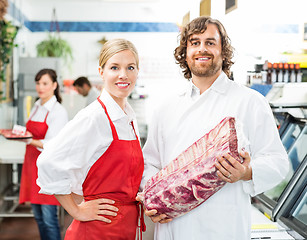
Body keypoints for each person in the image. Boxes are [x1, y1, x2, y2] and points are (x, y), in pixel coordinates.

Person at [140, 16, 289, 240]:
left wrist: (247, 172)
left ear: (223, 50)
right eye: (195, 42)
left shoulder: (249, 101)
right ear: (185, 51)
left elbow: (278, 162)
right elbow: (149, 163)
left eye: (210, 42)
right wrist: (155, 201)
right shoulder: (166, 107)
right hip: (174, 227)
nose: (202, 49)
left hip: (224, 228)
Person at [37, 38, 145, 240]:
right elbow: (48, 161)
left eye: (130, 67)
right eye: (115, 67)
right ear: (101, 72)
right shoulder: (94, 117)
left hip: (124, 228)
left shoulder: (128, 117)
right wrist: (77, 210)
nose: (123, 75)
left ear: (137, 72)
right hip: (97, 231)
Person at [19, 68, 68, 240]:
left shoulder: (58, 111)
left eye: (45, 83)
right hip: (32, 165)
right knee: (39, 217)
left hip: (47, 169)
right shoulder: (37, 105)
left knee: (49, 218)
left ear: (54, 85)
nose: (40, 87)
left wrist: (28, 140)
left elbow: (54, 145)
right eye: (38, 83)